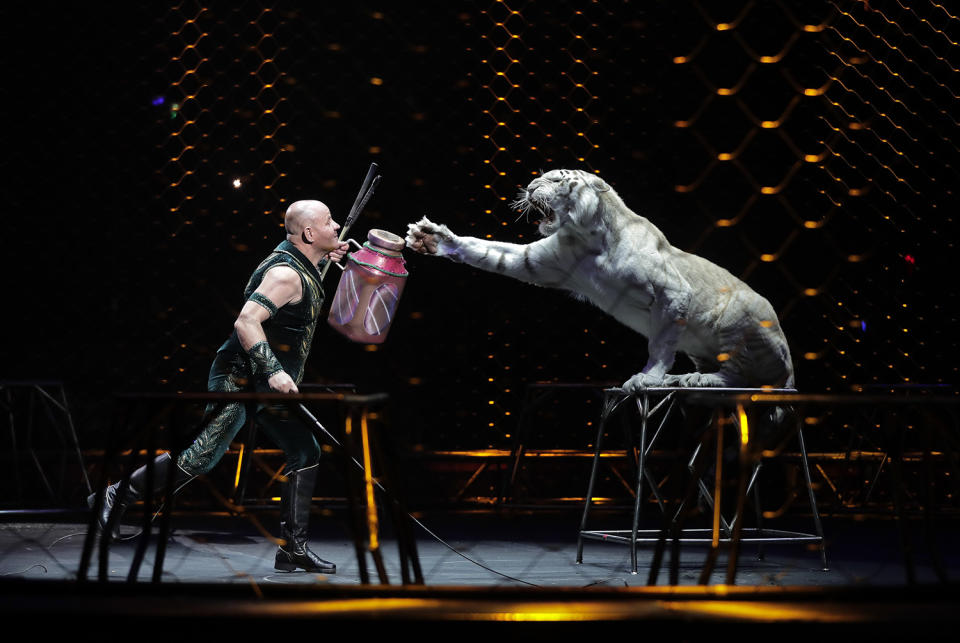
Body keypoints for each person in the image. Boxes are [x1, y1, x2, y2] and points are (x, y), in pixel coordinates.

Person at [89, 200, 349, 574]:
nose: (337, 225)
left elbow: (300, 292)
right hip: (241, 378)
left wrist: (324, 256)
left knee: (305, 450)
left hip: (268, 385)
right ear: (309, 233)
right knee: (202, 456)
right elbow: (247, 321)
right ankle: (116, 495)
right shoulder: (285, 274)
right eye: (329, 222)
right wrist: (273, 370)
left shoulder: (302, 265)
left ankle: (293, 548)